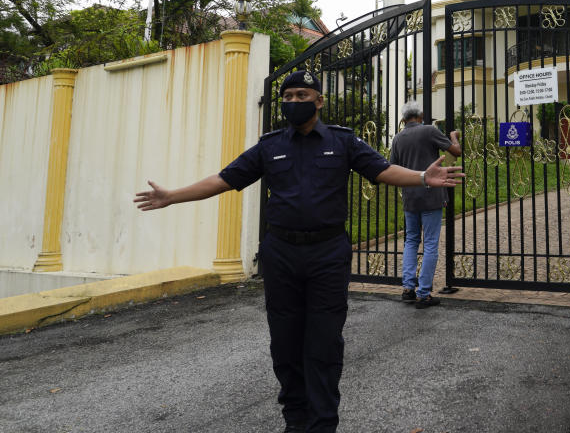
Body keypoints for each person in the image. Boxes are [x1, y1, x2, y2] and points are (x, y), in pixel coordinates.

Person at [133, 70, 463, 433]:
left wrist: (421, 177)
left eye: (302, 96)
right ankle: (295, 421)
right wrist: (172, 196)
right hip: (281, 255)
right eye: (287, 97)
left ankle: (322, 424)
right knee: (286, 344)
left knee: (324, 343)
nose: (293, 102)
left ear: (319, 101)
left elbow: (383, 171)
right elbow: (224, 180)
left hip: (327, 253)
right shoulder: (270, 146)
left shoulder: (343, 142)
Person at [389, 101, 462, 309]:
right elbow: (455, 151)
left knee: (411, 240)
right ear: (421, 116)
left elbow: (393, 166)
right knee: (430, 243)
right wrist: (454, 136)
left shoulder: (398, 138)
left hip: (410, 197)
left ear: (404, 119)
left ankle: (408, 288)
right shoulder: (429, 130)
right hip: (431, 195)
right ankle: (423, 294)